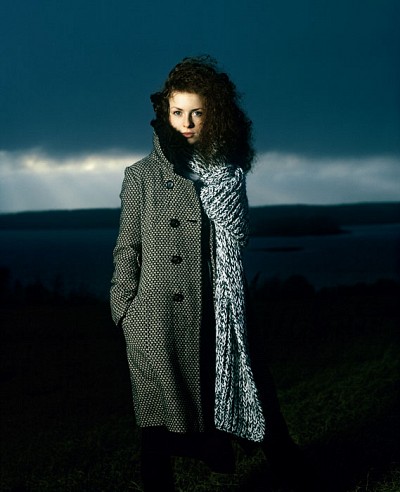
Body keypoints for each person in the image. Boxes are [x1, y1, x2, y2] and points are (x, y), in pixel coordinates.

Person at [110, 56, 308, 491]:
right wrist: (124, 311)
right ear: (164, 113)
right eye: (177, 112)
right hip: (156, 322)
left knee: (261, 407)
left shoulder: (227, 173)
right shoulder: (140, 176)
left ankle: (304, 479)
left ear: (214, 114)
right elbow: (127, 248)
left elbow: (238, 238)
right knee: (156, 434)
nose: (186, 123)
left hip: (222, 315)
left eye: (197, 112)